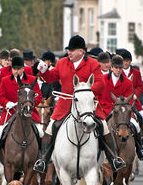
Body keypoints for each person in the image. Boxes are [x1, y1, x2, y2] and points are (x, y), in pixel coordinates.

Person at [33, 35, 126, 173]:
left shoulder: (93, 64)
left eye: (72, 50)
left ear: (81, 52)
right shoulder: (62, 62)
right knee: (50, 128)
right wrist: (44, 70)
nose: (69, 52)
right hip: (65, 105)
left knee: (104, 126)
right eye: (68, 50)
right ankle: (43, 160)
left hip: (87, 105)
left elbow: (100, 84)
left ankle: (113, 159)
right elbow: (52, 77)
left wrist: (85, 94)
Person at [0, 56, 43, 166]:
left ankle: (41, 160)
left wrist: (30, 104)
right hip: (10, 112)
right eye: (14, 69)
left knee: (40, 132)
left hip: (28, 113)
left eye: (19, 69)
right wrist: (7, 103)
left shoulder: (31, 79)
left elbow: (39, 96)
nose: (16, 71)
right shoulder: (5, 80)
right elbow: (0, 97)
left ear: (23, 69)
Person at [100, 55, 143, 160]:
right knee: (96, 127)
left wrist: (124, 107)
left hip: (123, 112)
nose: (118, 70)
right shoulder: (102, 79)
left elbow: (130, 99)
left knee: (136, 125)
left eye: (120, 68)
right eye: (116, 68)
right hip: (105, 110)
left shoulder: (128, 82)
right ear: (111, 68)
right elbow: (98, 95)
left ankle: (139, 149)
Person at [116, 49, 143, 142]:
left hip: (133, 100)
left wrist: (135, 96)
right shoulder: (118, 72)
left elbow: (140, 86)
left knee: (142, 115)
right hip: (120, 101)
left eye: (127, 61)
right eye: (124, 61)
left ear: (130, 62)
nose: (125, 63)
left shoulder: (136, 73)